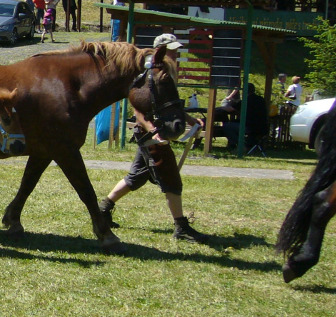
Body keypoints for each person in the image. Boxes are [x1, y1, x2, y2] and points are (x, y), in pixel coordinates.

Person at [97, 33, 211, 243]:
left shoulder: (165, 72)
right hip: (151, 135)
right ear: (160, 51)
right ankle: (181, 227)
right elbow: (138, 108)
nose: (175, 53)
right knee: (171, 179)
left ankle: (103, 209)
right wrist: (152, 129)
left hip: (153, 134)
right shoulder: (148, 73)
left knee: (137, 176)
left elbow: (169, 105)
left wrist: (189, 118)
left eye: (176, 50)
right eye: (171, 50)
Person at [220, 83, 269, 150]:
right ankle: (244, 144)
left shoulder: (246, 100)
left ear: (244, 91)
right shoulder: (261, 99)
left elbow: (230, 109)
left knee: (227, 126)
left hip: (249, 127)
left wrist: (221, 107)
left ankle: (241, 145)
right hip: (262, 127)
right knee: (234, 123)